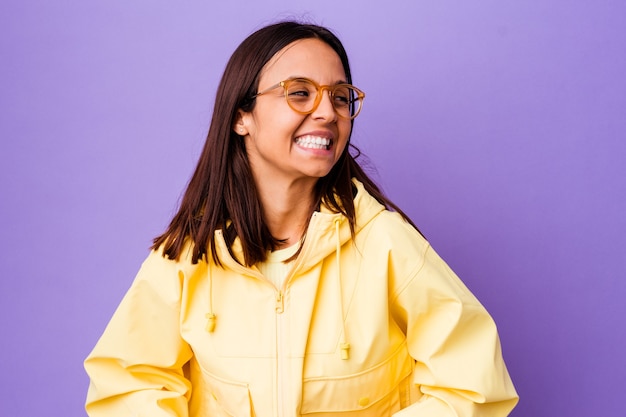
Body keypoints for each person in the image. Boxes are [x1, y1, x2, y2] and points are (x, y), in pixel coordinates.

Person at [84, 21, 518, 416]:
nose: (328, 112)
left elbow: (472, 386)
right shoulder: (188, 256)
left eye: (340, 96)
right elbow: (127, 384)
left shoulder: (385, 243)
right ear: (241, 116)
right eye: (300, 92)